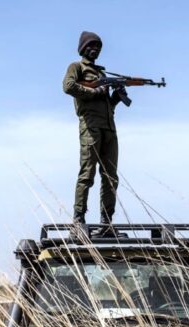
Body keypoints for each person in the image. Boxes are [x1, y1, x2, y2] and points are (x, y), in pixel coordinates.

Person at [62, 31, 127, 232]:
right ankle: (78, 219)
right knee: (87, 174)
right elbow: (68, 86)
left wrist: (115, 98)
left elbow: (107, 107)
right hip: (90, 127)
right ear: (83, 48)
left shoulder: (102, 75)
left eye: (98, 46)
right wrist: (95, 91)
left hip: (109, 129)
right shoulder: (77, 67)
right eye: (91, 45)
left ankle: (106, 222)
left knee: (111, 177)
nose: (95, 49)